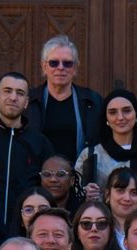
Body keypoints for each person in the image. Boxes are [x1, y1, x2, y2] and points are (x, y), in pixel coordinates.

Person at [0, 71, 57, 242]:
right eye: (7, 91)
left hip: (27, 235)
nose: (13, 97)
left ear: (26, 103)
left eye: (20, 93)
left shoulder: (40, 143)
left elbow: (49, 190)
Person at [25, 34, 104, 162]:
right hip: (37, 177)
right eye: (54, 63)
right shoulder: (29, 101)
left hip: (79, 176)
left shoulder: (93, 101)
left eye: (67, 63)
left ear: (75, 68)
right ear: (44, 67)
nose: (60, 67)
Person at [77, 88, 137, 191]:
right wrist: (85, 193)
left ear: (136, 114)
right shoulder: (90, 154)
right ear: (106, 118)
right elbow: (76, 194)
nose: (120, 117)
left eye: (127, 111)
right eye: (113, 112)